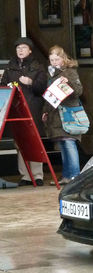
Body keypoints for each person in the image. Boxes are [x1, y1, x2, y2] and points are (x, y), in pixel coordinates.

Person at [0, 37, 48, 186]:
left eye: (23, 48)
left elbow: (42, 88)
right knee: (19, 142)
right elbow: (3, 87)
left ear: (30, 50)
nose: (20, 50)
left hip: (33, 108)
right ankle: (26, 176)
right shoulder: (10, 67)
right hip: (16, 109)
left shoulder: (38, 67)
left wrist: (31, 82)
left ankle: (37, 175)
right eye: (18, 48)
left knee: (34, 141)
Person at [42, 46, 83, 185]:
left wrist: (68, 83)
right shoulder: (50, 73)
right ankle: (67, 176)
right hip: (55, 113)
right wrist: (45, 111)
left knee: (69, 142)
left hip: (68, 112)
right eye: (52, 60)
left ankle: (75, 176)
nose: (54, 62)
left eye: (57, 59)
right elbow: (49, 95)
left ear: (63, 58)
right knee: (63, 145)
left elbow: (78, 91)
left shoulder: (70, 72)